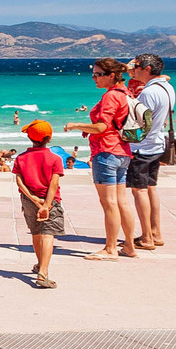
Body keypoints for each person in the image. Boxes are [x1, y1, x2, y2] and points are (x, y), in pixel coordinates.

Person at [66, 58, 137, 262]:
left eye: (98, 74)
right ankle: (130, 246)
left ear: (111, 75)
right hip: (123, 151)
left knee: (109, 203)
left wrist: (76, 125)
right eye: (93, 74)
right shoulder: (126, 92)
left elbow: (102, 127)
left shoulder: (110, 96)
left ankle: (111, 248)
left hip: (106, 152)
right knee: (122, 201)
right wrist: (89, 130)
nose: (94, 78)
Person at [126, 53, 175, 251]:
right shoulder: (167, 87)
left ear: (147, 69)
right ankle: (155, 232)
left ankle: (146, 237)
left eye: (137, 66)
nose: (134, 69)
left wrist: (122, 136)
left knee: (139, 191)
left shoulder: (148, 93)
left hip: (142, 147)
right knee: (151, 188)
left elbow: (140, 123)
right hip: (156, 143)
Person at [14, 118, 65, 289]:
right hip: (50, 201)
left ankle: (39, 263)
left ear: (30, 138)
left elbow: (19, 181)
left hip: (29, 200)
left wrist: (33, 198)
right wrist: (45, 205)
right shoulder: (55, 159)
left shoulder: (21, 158)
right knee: (48, 234)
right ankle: (43, 272)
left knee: (36, 233)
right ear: (49, 138)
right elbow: (54, 184)